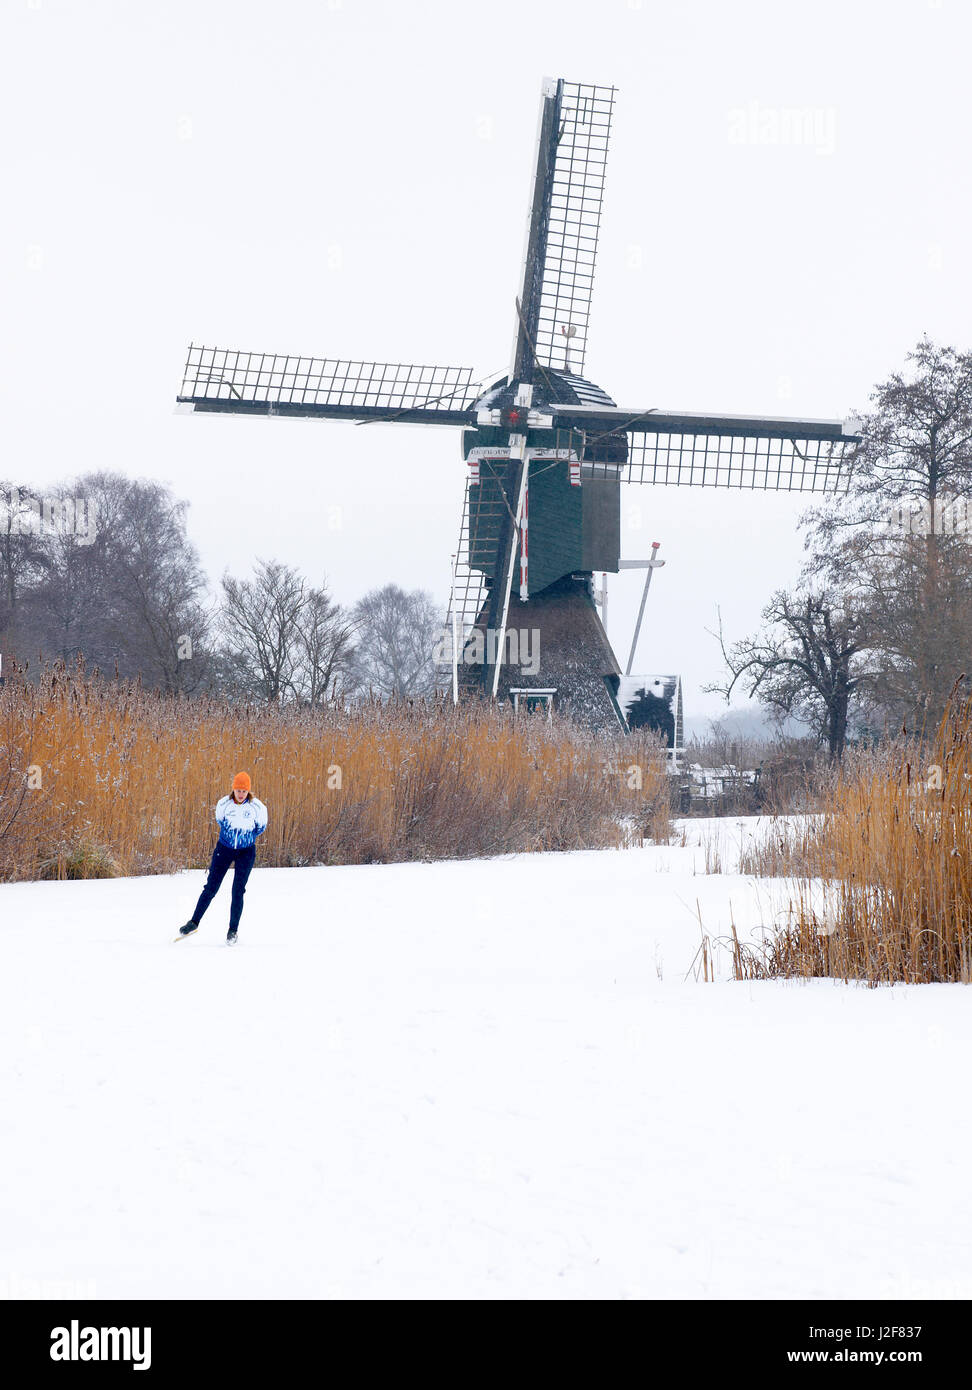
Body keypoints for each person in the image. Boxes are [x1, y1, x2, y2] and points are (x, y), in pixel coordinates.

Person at [178, 772, 268, 945]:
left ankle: (232, 931)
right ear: (233, 789)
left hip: (246, 852)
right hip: (224, 849)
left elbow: (260, 827)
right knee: (211, 887)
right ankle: (193, 922)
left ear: (248, 791)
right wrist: (231, 839)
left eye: (244, 791)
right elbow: (220, 821)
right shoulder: (224, 804)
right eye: (238, 790)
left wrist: (244, 839)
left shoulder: (257, 808)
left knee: (238, 891)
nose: (240, 794)